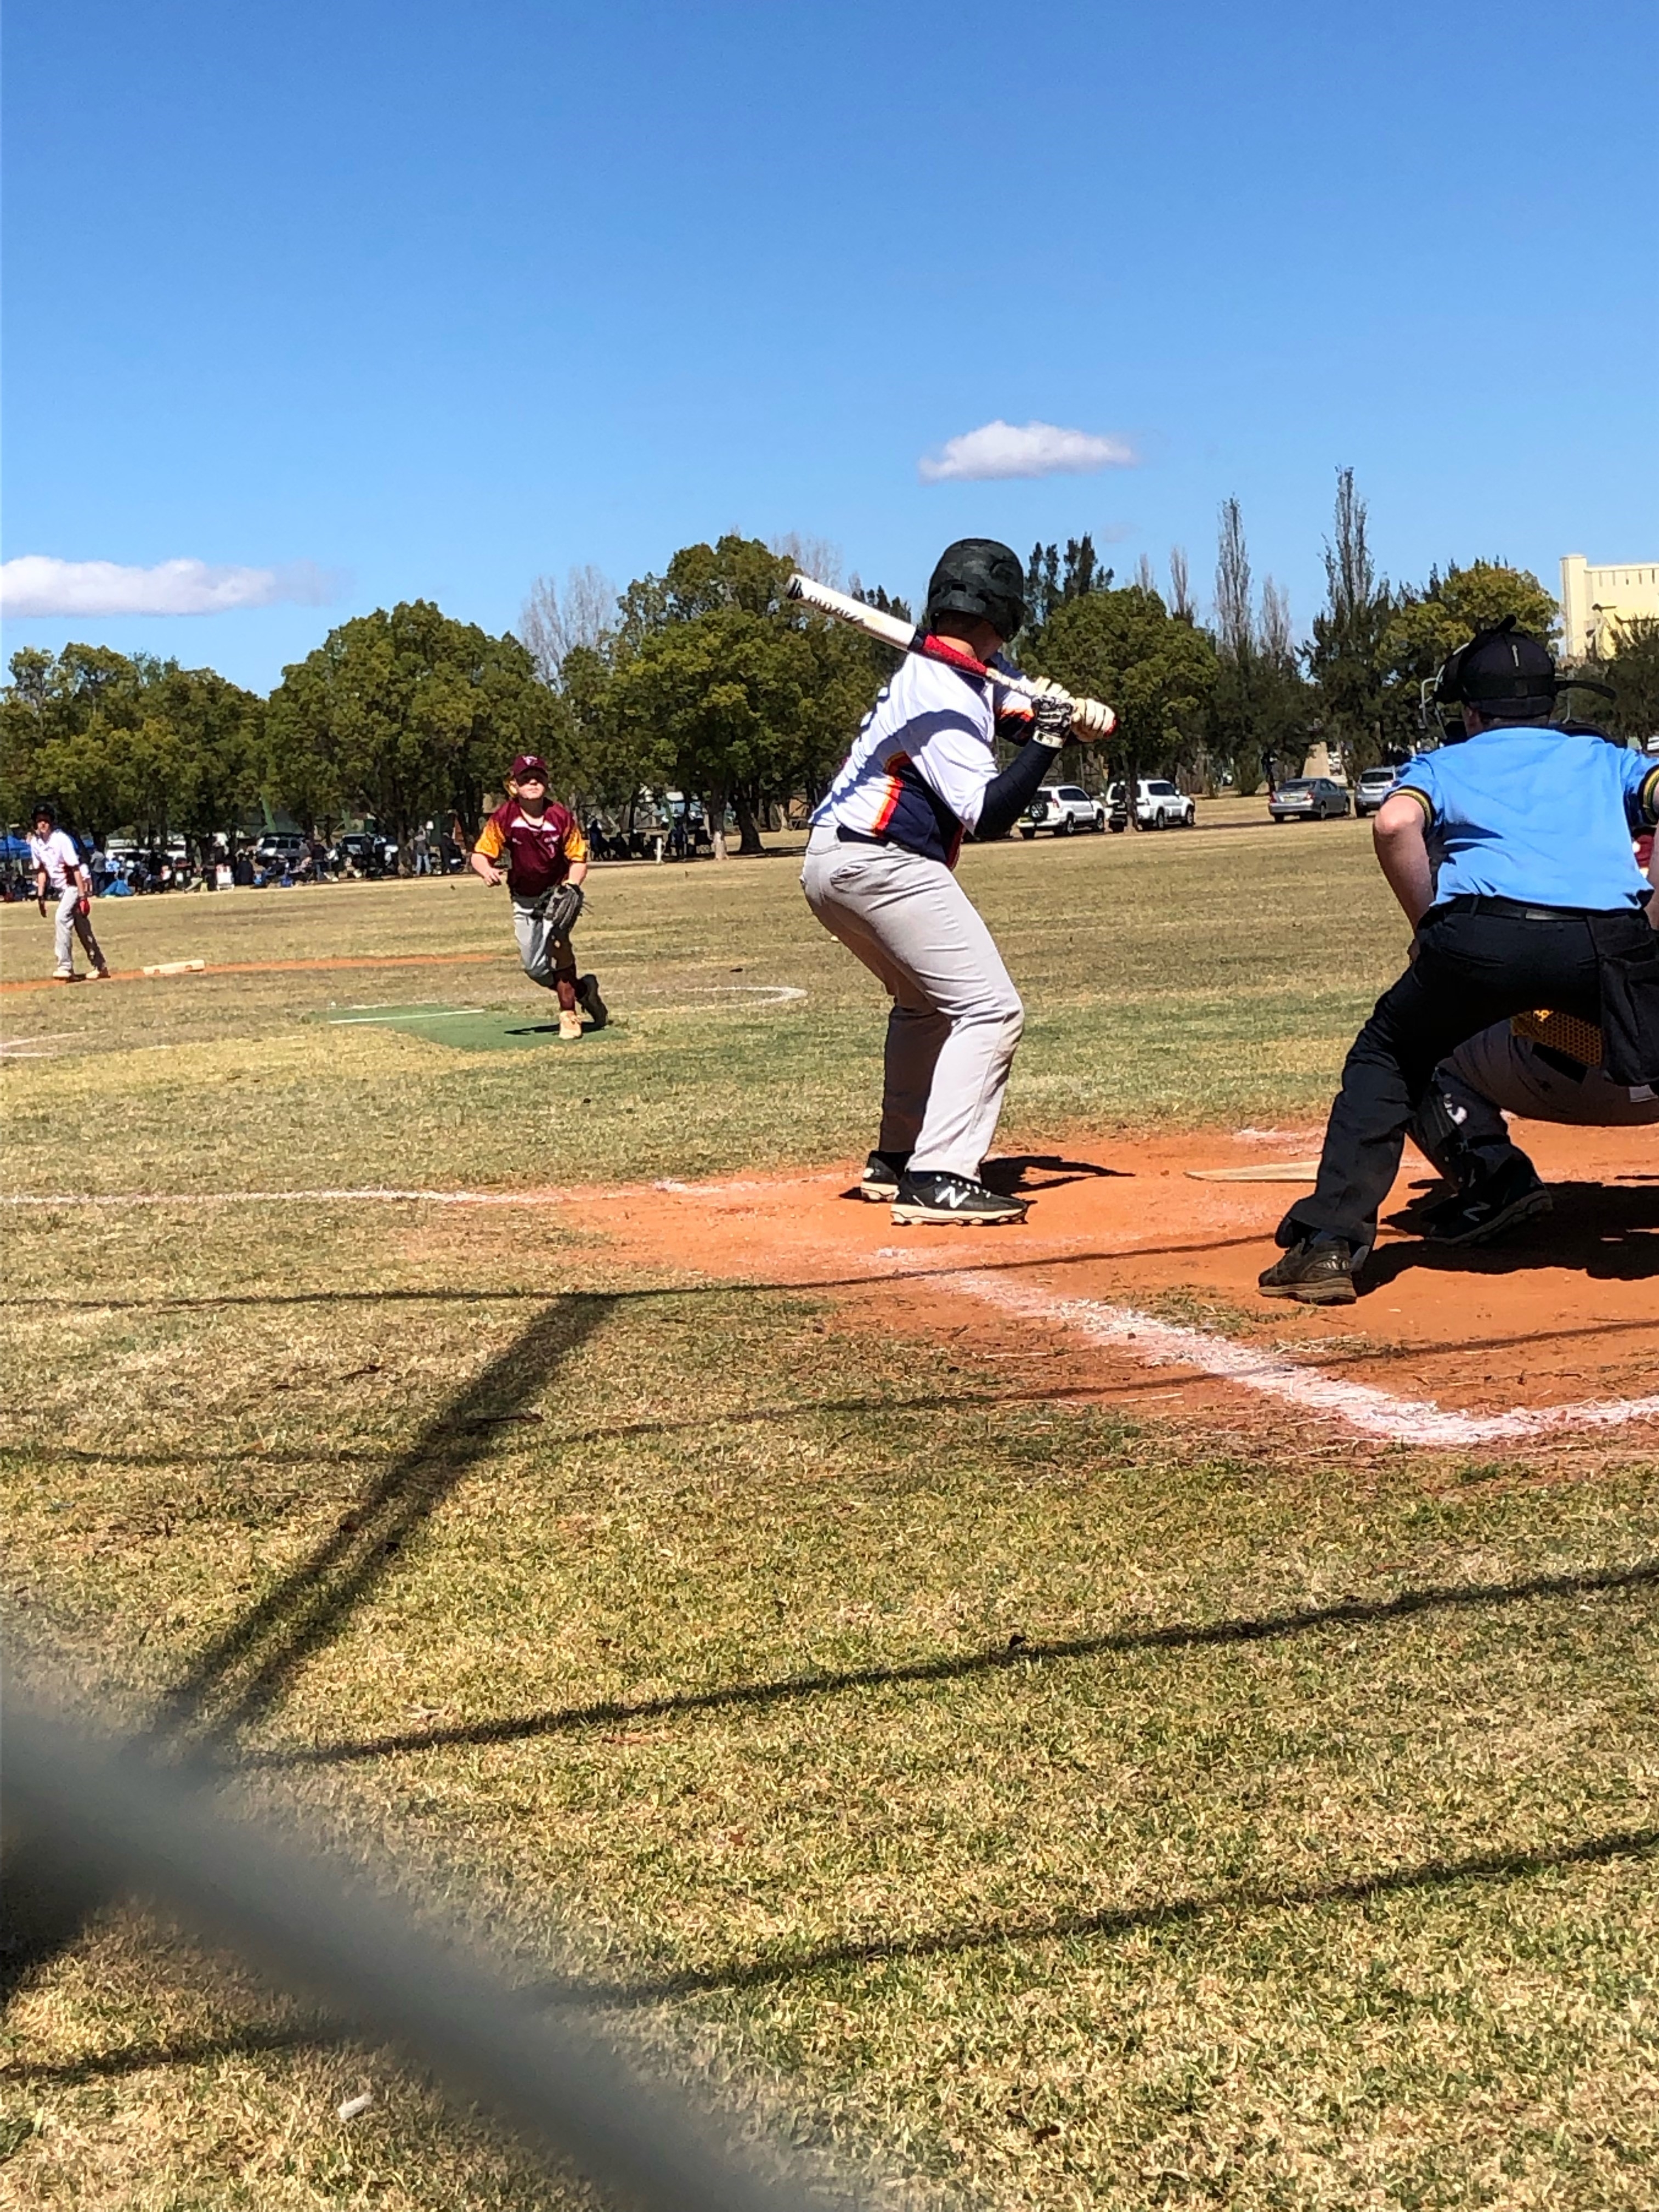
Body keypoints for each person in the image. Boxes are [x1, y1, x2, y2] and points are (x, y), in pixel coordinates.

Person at [1261, 619, 1659, 1302]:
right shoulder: (1606, 759)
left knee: (1390, 1053)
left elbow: (1393, 825)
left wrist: (1430, 929)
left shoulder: (1442, 765)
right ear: (1550, 705)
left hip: (1482, 938)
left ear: (1472, 711)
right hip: (1606, 941)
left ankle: (1329, 1245)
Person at [800, 538, 1092, 1226]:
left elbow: (1024, 715)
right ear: (1009, 608)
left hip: (830, 863)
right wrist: (1050, 743)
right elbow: (986, 815)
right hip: (883, 863)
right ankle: (940, 1174)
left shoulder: (968, 673)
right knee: (991, 1011)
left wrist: (1075, 722)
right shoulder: (946, 689)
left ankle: (897, 1158)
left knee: (926, 1007)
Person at [469, 754, 606, 1039]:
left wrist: (572, 885)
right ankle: (583, 991)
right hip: (524, 899)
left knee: (559, 945)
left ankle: (569, 1015)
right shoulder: (504, 817)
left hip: (557, 896)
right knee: (534, 968)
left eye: (539, 777)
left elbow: (578, 859)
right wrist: (486, 871)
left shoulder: (560, 817)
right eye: (525, 778)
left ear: (547, 782)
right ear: (513, 785)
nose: (533, 782)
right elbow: (481, 854)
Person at [29, 803, 110, 981]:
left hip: (73, 886)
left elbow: (75, 868)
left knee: (61, 918)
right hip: (61, 890)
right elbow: (41, 870)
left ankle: (65, 966)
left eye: (46, 821)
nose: (43, 824)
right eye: (39, 821)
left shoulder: (61, 839)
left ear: (52, 822)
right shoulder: (35, 844)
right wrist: (40, 896)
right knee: (82, 928)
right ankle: (100, 965)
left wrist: (83, 896)